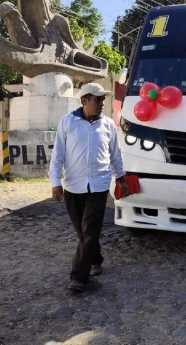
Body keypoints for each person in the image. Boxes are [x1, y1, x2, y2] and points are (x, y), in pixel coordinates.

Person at [49, 82, 130, 293]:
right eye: (97, 99)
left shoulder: (108, 125)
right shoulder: (68, 122)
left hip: (98, 185)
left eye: (103, 99)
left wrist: (121, 178)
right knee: (83, 231)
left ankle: (78, 277)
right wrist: (55, 182)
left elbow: (115, 154)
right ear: (84, 100)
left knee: (90, 231)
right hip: (73, 186)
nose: (102, 103)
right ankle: (96, 258)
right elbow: (57, 155)